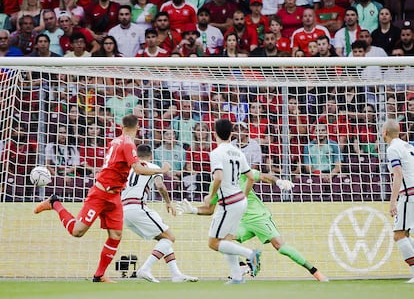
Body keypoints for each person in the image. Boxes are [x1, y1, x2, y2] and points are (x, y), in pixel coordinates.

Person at [34, 114, 171, 283]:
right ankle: (54, 203)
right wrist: (161, 170)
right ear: (137, 129)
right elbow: (137, 168)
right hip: (100, 194)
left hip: (114, 197)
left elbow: (121, 164)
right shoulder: (128, 143)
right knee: (77, 231)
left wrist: (137, 165)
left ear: (121, 127)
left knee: (115, 235)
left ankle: (99, 275)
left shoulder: (117, 141)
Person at [176, 167, 329, 282]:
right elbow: (209, 210)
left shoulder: (242, 173)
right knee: (220, 241)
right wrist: (193, 210)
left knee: (281, 247)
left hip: (259, 217)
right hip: (240, 221)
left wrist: (279, 182)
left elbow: (263, 176)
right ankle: (244, 266)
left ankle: (315, 272)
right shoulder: (215, 185)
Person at [179, 118, 261, 284]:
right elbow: (251, 177)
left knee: (214, 243)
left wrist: (210, 195)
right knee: (226, 239)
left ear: (214, 134)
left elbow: (218, 177)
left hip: (229, 202)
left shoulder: (216, 153)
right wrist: (244, 195)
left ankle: (250, 254)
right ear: (232, 134)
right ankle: (237, 277)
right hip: (239, 199)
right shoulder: (238, 151)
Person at [122, 144, 198, 283]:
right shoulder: (153, 167)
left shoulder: (130, 168)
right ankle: (145, 269)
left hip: (124, 212)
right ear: (151, 156)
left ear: (136, 156)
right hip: (138, 207)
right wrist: (168, 202)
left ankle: (176, 274)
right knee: (170, 237)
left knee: (164, 239)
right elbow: (160, 186)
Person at [382, 119, 414, 283]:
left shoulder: (393, 148)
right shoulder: (408, 146)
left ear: (385, 132)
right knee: (406, 233)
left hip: (409, 195)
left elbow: (398, 174)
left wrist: (393, 201)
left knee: (399, 235)